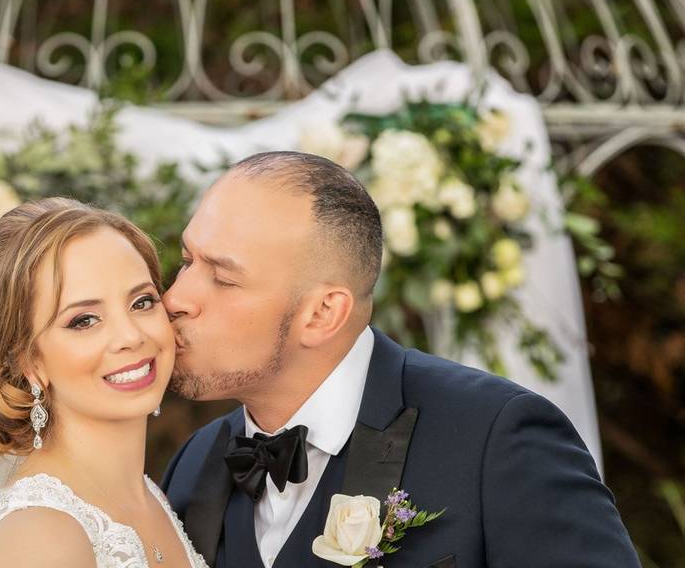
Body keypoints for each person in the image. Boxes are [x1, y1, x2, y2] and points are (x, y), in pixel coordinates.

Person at [160, 151, 640, 568]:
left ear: (323, 313)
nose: (176, 297)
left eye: (223, 278)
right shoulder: (195, 462)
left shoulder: (496, 440)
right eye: (186, 262)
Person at [0, 197, 207, 568]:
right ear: (29, 360)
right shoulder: (36, 539)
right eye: (84, 320)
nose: (130, 336)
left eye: (142, 302)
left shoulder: (152, 496)